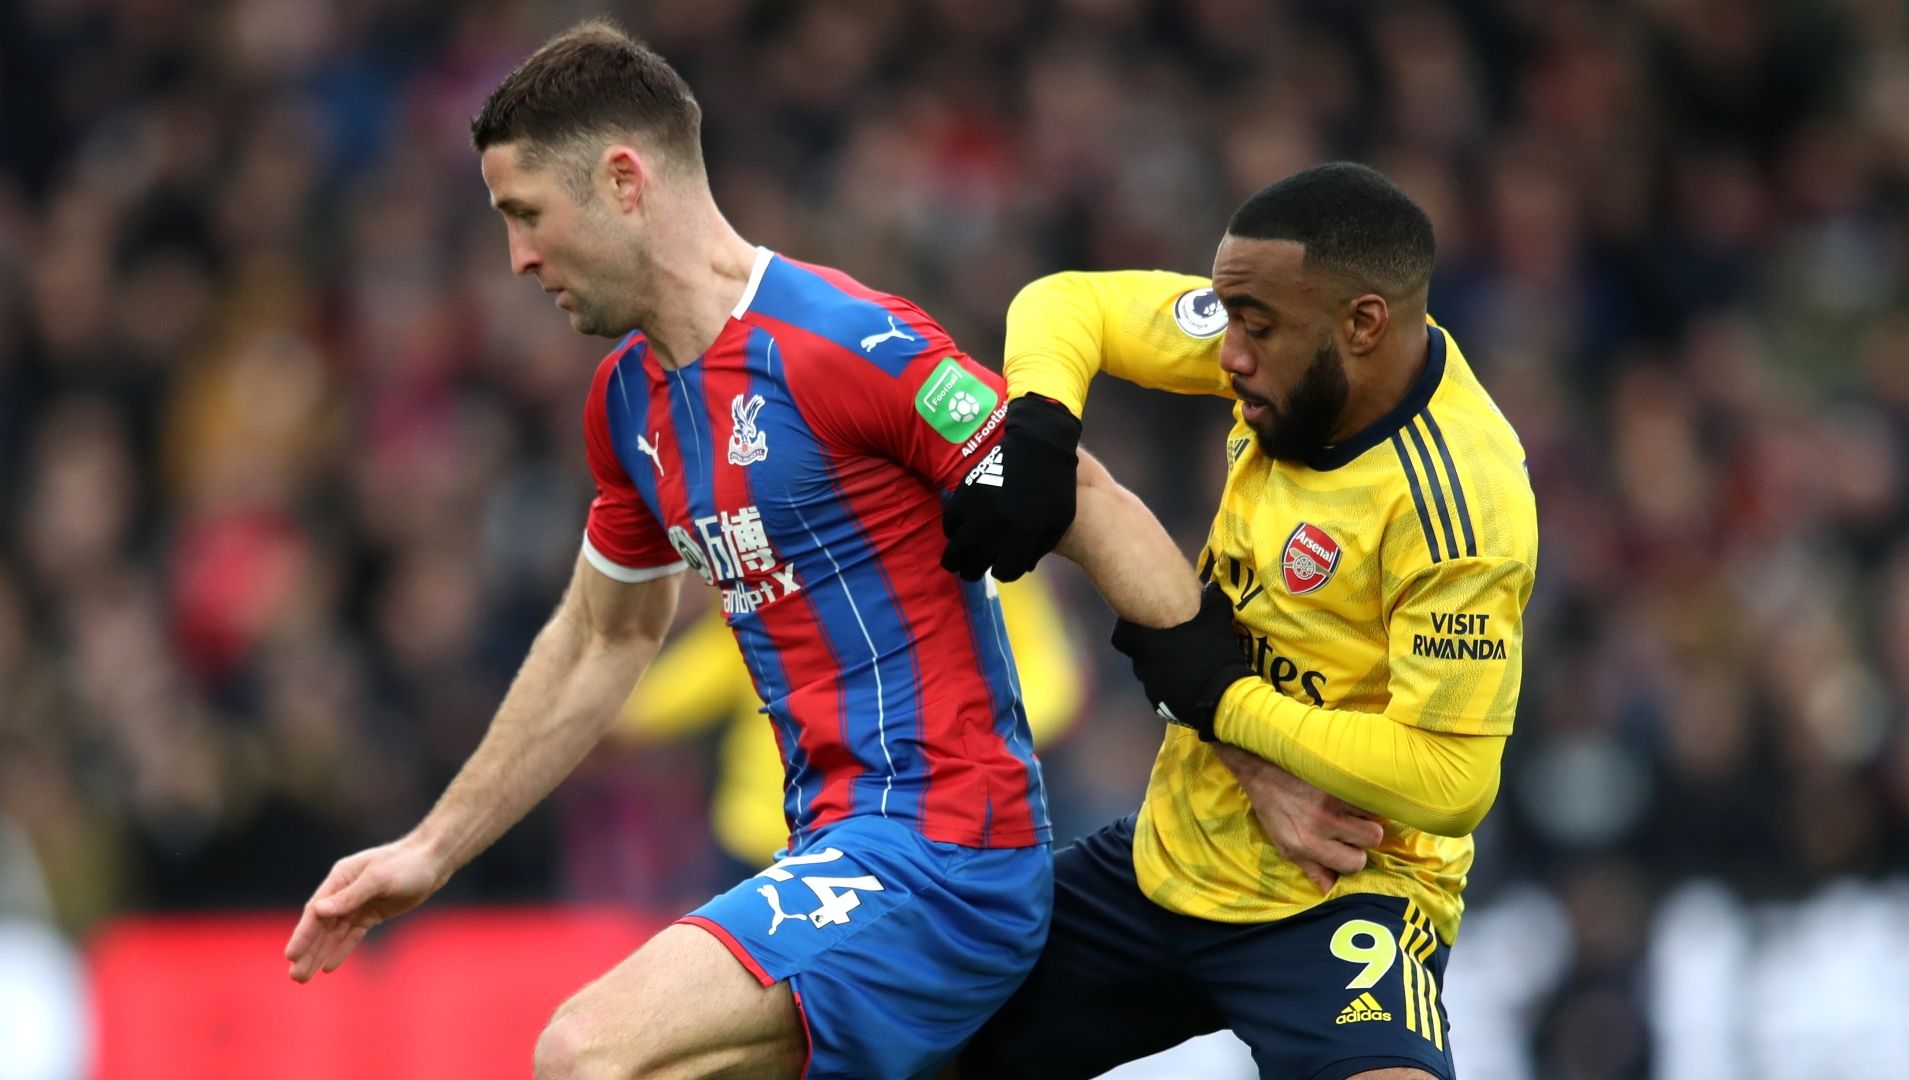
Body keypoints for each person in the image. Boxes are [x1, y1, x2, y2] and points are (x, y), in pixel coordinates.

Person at [282, 20, 1202, 1080]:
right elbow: (602, 637)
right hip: (826, 854)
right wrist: (430, 849)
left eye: (526, 215)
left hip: (944, 855)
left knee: (586, 1053)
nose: (519, 258)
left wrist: (1239, 740)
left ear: (623, 181)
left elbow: (1087, 499)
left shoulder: (846, 344)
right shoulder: (626, 404)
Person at [950, 162, 1539, 1080]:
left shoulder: (1463, 504)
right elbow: (1066, 303)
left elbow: (1450, 777)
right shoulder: (1288, 345)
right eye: (1227, 319)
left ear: (1363, 324)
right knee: (891, 1036)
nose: (1227, 355)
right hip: (1172, 854)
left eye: (1254, 329)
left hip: (1344, 889)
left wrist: (1224, 702)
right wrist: (1041, 422)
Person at [613, 572, 1087, 875]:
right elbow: (726, 653)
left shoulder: (974, 546)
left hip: (906, 831)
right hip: (762, 826)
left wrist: (970, 735)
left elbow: (1049, 674)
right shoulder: (794, 534)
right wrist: (631, 715)